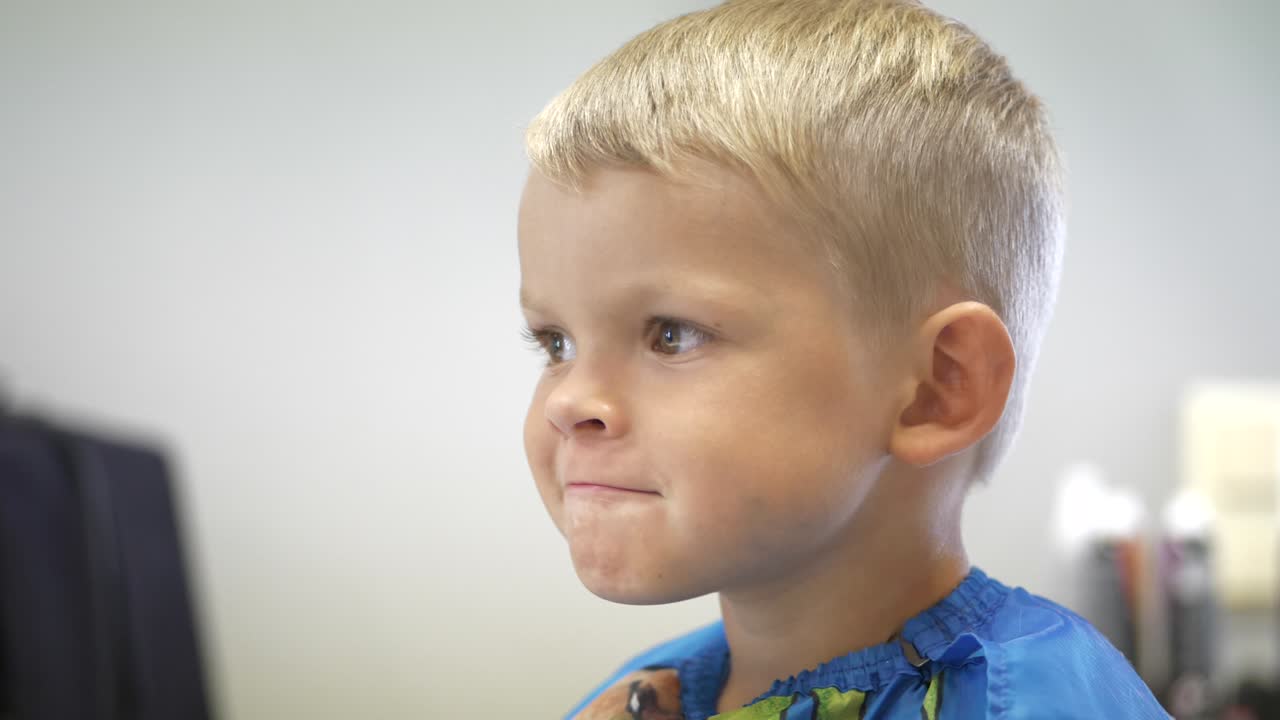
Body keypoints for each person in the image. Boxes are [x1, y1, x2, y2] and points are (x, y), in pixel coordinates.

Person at [515, 1, 1169, 717]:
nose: (568, 401)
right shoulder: (642, 696)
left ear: (936, 389)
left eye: (672, 333)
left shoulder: (1038, 704)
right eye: (556, 343)